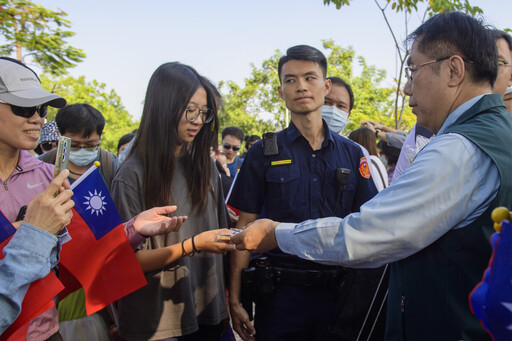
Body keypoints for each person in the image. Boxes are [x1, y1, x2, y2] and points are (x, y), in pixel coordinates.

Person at [230, 12, 512, 340]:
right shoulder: (498, 135)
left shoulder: (456, 150)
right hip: (281, 300)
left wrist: (277, 233)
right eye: (291, 80)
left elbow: (366, 234)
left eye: (412, 70)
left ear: (453, 70)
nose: (406, 88)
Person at [227, 45, 378, 341]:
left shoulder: (352, 154)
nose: (301, 87)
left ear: (326, 86)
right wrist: (234, 299)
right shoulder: (262, 154)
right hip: (280, 299)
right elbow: (243, 229)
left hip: (339, 297)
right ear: (282, 92)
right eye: (291, 80)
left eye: (310, 78)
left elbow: (370, 222)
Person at [111, 62, 235, 341]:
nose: (197, 120)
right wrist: (193, 245)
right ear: (163, 105)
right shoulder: (132, 175)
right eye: (190, 109)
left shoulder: (204, 164)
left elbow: (219, 231)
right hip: (158, 323)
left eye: (204, 113)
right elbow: (127, 262)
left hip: (210, 311)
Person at [41, 103, 119, 189]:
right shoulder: (42, 164)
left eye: (90, 145)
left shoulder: (112, 166)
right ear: (59, 135)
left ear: (100, 136)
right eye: (74, 145)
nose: (82, 149)